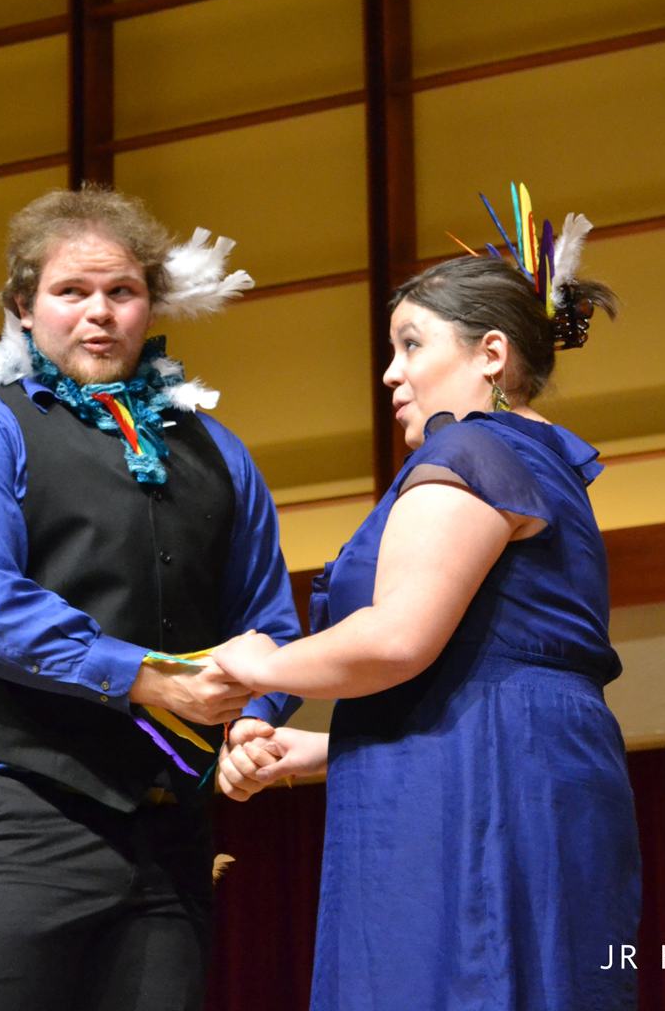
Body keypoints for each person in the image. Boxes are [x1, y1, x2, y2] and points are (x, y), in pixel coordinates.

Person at [215, 215, 642, 1009]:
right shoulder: (541, 459)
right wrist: (316, 749)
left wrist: (257, 664)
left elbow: (397, 638)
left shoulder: (473, 450)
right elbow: (486, 654)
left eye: (411, 344)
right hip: (524, 763)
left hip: (478, 786)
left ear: (490, 354)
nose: (389, 373)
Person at [0, 186, 301, 1011]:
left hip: (167, 834)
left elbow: (267, 624)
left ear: (151, 304)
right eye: (71, 292)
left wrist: (258, 713)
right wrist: (147, 678)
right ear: (23, 306)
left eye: (122, 292)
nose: (100, 314)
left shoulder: (220, 451)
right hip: (8, 816)